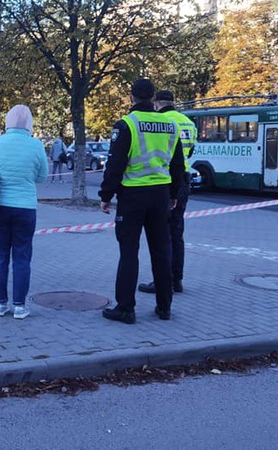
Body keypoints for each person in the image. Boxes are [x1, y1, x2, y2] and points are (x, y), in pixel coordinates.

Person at [98, 79, 185, 324]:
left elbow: (115, 164)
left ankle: (126, 308)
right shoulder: (170, 125)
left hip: (133, 196)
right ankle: (164, 306)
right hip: (160, 195)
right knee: (161, 251)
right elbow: (178, 165)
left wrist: (106, 196)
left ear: (131, 97)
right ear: (153, 98)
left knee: (129, 252)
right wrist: (174, 195)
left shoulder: (127, 124)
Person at [0, 105, 48, 319]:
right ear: (29, 123)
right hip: (26, 208)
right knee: (22, 257)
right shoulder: (36, 145)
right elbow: (42, 176)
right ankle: (20, 306)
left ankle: (0, 304)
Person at [137, 89, 198, 294]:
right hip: (184, 179)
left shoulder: (162, 122)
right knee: (177, 231)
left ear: (156, 103)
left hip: (165, 179)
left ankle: (163, 280)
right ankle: (177, 279)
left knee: (162, 235)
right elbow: (189, 151)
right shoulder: (188, 122)